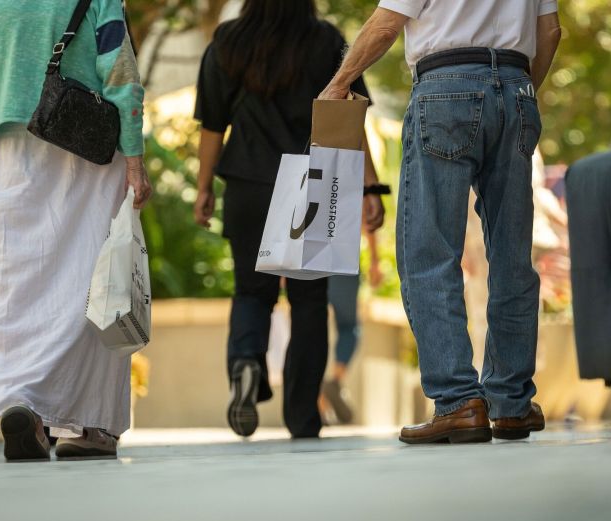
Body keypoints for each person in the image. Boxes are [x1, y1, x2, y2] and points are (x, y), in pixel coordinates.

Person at [320, 1, 562, 444]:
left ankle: (458, 401)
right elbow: (549, 34)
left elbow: (386, 23)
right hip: (516, 88)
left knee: (429, 253)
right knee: (512, 259)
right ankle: (511, 404)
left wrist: (339, 83)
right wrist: (516, 92)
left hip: (446, 88)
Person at [0, 0, 151, 461]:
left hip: (3, 150)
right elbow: (120, 73)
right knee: (91, 281)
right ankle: (93, 424)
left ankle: (22, 403)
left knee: (11, 285)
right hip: (82, 144)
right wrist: (135, 160)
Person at [193, 0, 385, 439]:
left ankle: (245, 363)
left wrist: (204, 187)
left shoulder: (227, 42)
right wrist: (369, 186)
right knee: (309, 302)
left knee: (251, 293)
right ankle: (303, 416)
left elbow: (211, 125)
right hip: (311, 183)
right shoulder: (327, 42)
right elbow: (348, 118)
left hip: (247, 184)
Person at [321, 229, 383, 425]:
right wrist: (374, 260)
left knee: (310, 325)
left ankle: (319, 404)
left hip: (311, 256)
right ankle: (335, 382)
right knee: (349, 328)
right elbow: (369, 214)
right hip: (343, 258)